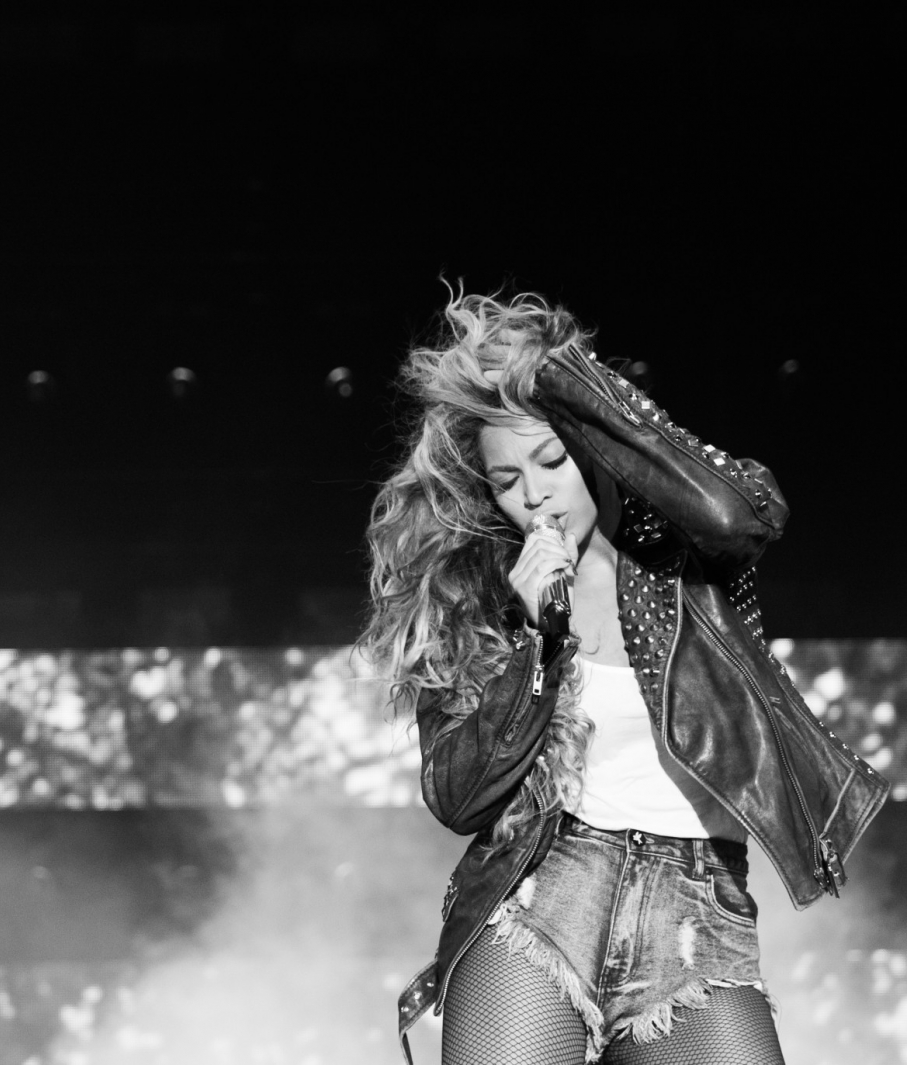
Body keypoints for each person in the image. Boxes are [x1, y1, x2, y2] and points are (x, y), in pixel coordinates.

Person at [360, 289, 888, 1064]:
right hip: (544, 892)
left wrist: (567, 382)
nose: (534, 492)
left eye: (551, 459)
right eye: (506, 479)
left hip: (698, 904)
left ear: (594, 445)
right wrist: (538, 645)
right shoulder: (483, 595)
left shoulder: (682, 555)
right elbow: (457, 795)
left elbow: (744, 510)